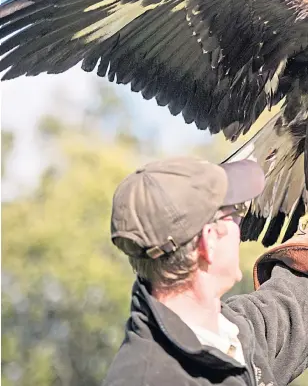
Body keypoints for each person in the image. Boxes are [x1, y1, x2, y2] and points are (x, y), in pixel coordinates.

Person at [104, 156, 308, 386]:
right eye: (236, 212)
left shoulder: (233, 332)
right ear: (208, 241)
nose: (240, 226)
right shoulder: (151, 378)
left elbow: (297, 305)